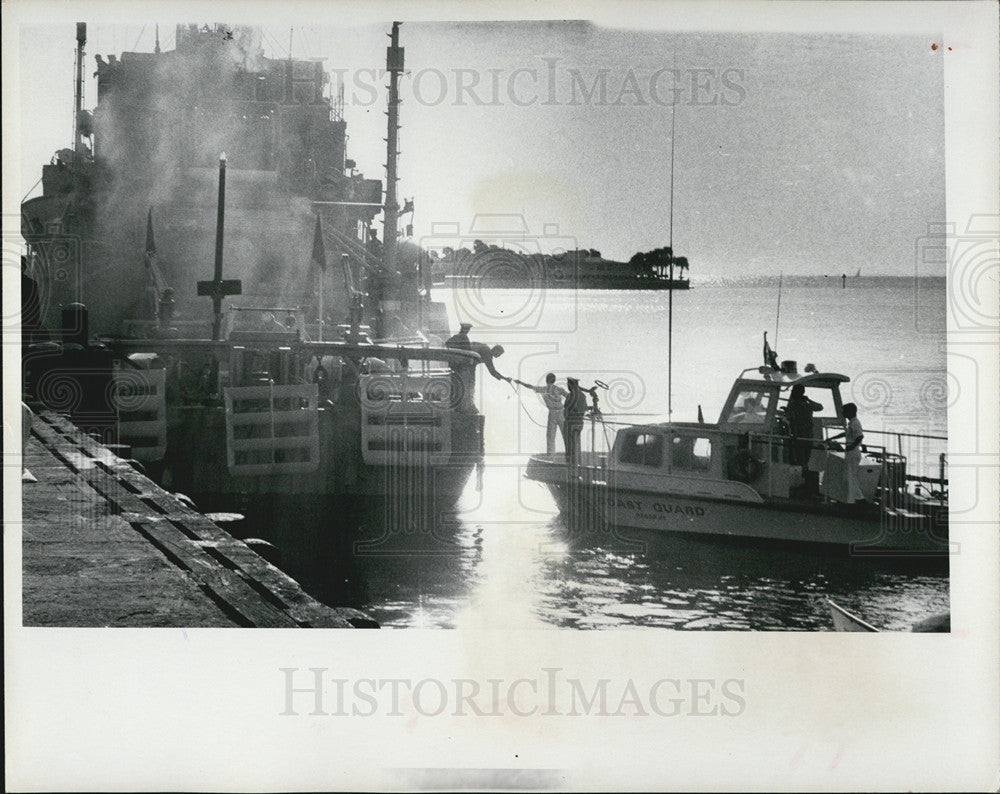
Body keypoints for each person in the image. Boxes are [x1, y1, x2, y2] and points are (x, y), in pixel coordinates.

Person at [514, 373, 568, 454]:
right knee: (564, 435)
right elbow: (569, 396)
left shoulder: (544, 389)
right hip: (559, 412)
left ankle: (551, 456)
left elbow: (530, 386)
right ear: (554, 380)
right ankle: (569, 454)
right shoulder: (558, 389)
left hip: (554, 413)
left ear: (546, 380)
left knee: (551, 436)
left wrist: (520, 382)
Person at [785, 383, 824, 495]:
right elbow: (819, 407)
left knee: (803, 459)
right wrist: (808, 400)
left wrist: (807, 400)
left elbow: (820, 407)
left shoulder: (796, 404)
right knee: (804, 459)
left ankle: (806, 484)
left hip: (801, 435)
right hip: (805, 435)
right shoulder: (803, 403)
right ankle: (807, 482)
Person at [827, 402, 865, 504]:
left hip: (852, 452)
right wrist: (832, 438)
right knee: (849, 476)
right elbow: (846, 433)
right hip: (851, 452)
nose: (843, 413)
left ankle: (854, 500)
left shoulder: (855, 423)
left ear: (850, 412)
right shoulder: (852, 423)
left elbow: (860, 436)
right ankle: (855, 499)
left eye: (844, 411)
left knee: (850, 476)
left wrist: (852, 446)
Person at [563, 377, 589, 467]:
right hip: (579, 423)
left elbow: (566, 410)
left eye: (568, 385)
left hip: (570, 423)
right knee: (576, 444)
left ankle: (570, 465)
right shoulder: (582, 395)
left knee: (569, 445)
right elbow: (585, 408)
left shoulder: (571, 395)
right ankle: (577, 463)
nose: (567, 387)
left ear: (571, 385)